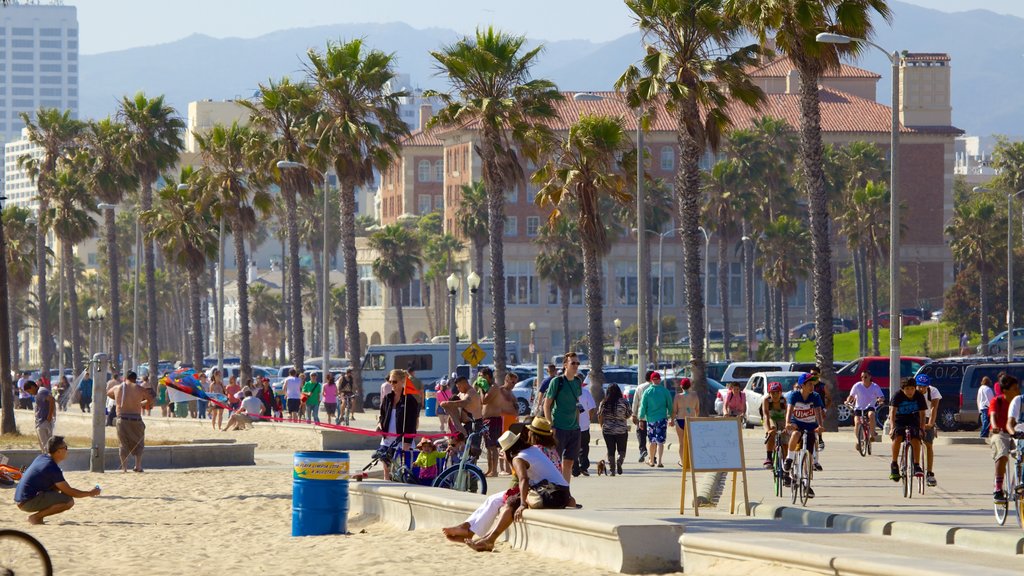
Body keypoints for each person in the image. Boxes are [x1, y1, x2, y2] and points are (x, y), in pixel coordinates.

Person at [458, 426, 575, 552]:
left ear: (508, 450)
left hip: (552, 494)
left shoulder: (518, 458)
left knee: (511, 503)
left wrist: (523, 504)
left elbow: (523, 479)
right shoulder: (532, 450)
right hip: (561, 493)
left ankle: (490, 540)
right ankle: (487, 538)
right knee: (511, 501)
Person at [14, 436, 101, 525]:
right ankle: (35, 518)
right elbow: (71, 492)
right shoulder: (51, 467)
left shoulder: (42, 457)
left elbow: (61, 488)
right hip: (27, 502)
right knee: (68, 501)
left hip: (21, 499)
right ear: (58, 451)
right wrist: (91, 493)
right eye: (65, 448)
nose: (67, 450)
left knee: (59, 490)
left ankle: (38, 517)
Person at [544, 351, 584, 483]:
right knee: (555, 463)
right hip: (559, 428)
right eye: (573, 363)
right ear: (565, 365)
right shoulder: (557, 381)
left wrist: (578, 425)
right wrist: (550, 424)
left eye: (577, 363)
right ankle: (554, 491)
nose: (576, 365)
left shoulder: (578, 382)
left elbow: (577, 404)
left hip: (574, 429)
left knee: (569, 463)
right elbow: (547, 404)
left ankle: (565, 493)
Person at [784, 373, 825, 497]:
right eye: (809, 384)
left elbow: (818, 412)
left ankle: (806, 485)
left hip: (810, 425)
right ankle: (789, 459)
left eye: (813, 384)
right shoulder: (794, 395)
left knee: (809, 455)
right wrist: (787, 423)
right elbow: (789, 410)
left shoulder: (815, 396)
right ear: (802, 385)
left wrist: (820, 426)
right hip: (797, 423)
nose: (812, 386)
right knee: (796, 434)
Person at [108, 371, 155, 473]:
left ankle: (124, 468)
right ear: (135, 379)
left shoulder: (118, 388)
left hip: (122, 419)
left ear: (126, 378)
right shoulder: (139, 388)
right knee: (139, 443)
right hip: (136, 419)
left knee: (123, 444)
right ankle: (137, 466)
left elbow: (108, 392)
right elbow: (150, 399)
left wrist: (117, 398)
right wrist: (140, 403)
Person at [887, 377, 927, 483]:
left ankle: (916, 464)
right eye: (907, 389)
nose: (910, 391)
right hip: (899, 419)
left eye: (912, 389)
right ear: (903, 389)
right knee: (898, 436)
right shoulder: (897, 396)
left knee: (915, 437)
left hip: (913, 418)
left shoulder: (919, 396)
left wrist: (922, 429)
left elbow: (923, 414)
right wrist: (892, 428)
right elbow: (892, 413)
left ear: (915, 388)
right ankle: (894, 464)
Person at [989, 374, 1020, 502]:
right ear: (1005, 391)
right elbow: (992, 415)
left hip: (1016, 433)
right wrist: (995, 426)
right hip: (999, 433)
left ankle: (1020, 481)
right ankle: (998, 488)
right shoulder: (997, 401)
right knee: (1002, 454)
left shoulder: (1019, 402)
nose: (1018, 391)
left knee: (1021, 454)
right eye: (1015, 389)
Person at [377, 368, 420, 452]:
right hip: (387, 441)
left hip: (403, 442)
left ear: (402, 381)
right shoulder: (387, 398)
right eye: (390, 381)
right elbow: (382, 415)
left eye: (395, 382)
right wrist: (379, 424)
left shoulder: (409, 400)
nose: (392, 384)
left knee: (399, 464)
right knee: (384, 462)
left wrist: (407, 442)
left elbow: (412, 423)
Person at [638, 370, 674, 468]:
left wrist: (641, 419)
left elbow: (643, 406)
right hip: (662, 418)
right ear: (659, 380)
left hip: (650, 419)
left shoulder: (647, 392)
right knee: (660, 441)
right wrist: (671, 417)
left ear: (651, 380)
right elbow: (670, 406)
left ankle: (652, 460)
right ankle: (660, 461)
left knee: (652, 440)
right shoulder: (665, 391)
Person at [441, 376, 483, 458]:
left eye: (459, 386)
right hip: (467, 424)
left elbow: (464, 403)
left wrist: (447, 404)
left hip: (475, 423)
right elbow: (454, 400)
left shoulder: (471, 392)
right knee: (466, 448)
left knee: (473, 449)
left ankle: (472, 468)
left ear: (464, 383)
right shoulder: (461, 393)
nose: (458, 389)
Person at [914, 374, 942, 487]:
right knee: (914, 441)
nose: (921, 389)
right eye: (919, 386)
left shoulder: (933, 391)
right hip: (915, 416)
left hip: (927, 417)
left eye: (924, 387)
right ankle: (915, 464)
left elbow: (934, 408)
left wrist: (930, 423)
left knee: (928, 444)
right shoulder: (912, 392)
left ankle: (929, 473)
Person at [598, 384, 631, 476]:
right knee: (622, 449)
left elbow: (600, 415)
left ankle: (612, 470)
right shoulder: (624, 402)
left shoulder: (604, 402)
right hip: (621, 429)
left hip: (607, 429)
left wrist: (602, 426)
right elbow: (628, 414)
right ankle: (619, 461)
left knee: (610, 449)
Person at [846, 371, 885, 444]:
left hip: (870, 406)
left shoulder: (875, 386)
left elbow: (881, 396)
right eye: (862, 377)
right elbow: (851, 396)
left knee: (871, 415)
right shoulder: (857, 386)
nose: (863, 378)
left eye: (865, 377)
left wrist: (880, 400)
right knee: (857, 423)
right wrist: (848, 401)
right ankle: (859, 441)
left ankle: (872, 433)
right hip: (859, 407)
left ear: (870, 377)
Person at [480, 368, 506, 477]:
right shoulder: (488, 388)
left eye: (482, 376)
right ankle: (490, 469)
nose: (480, 378)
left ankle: (494, 470)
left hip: (493, 420)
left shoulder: (494, 387)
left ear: (487, 376)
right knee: (488, 447)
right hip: (487, 420)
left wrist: (481, 389)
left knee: (493, 446)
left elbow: (484, 400)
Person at [672, 377, 700, 468]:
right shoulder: (695, 395)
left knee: (681, 443)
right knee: (690, 442)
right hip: (691, 420)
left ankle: (683, 462)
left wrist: (672, 420)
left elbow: (674, 411)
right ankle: (691, 461)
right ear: (690, 386)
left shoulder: (678, 396)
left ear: (681, 386)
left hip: (680, 420)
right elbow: (697, 409)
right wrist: (696, 419)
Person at [572, 380, 597, 477]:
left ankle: (575, 468)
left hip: (572, 426)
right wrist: (589, 418)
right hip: (583, 426)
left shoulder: (570, 392)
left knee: (573, 447)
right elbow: (592, 408)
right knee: (584, 447)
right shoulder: (585, 392)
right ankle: (583, 466)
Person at [631, 371, 656, 463]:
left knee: (641, 434)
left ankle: (643, 450)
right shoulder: (657, 388)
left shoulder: (640, 387)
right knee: (653, 436)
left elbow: (635, 402)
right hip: (654, 416)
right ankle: (653, 456)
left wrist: (633, 414)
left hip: (642, 417)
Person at [761, 381, 787, 469]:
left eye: (777, 393)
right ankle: (769, 457)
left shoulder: (784, 400)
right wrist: (769, 430)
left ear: (781, 393)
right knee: (772, 431)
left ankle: (785, 464)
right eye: (773, 393)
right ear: (769, 393)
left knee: (785, 441)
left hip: (782, 419)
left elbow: (788, 415)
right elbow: (766, 415)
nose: (775, 395)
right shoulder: (766, 400)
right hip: (770, 418)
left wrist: (787, 427)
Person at [26, 380, 55, 453]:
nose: (30, 394)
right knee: (44, 447)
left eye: (29, 391)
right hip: (40, 422)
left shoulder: (41, 392)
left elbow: (51, 399)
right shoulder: (39, 393)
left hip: (44, 423)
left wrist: (49, 416)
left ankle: (49, 463)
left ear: (33, 387)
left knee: (47, 447)